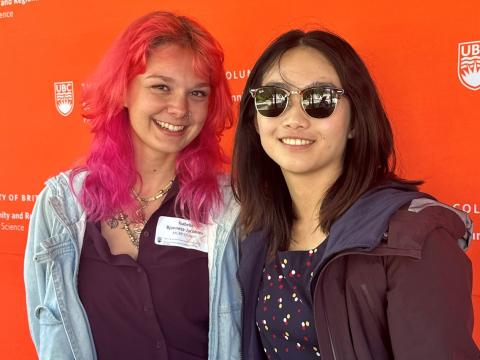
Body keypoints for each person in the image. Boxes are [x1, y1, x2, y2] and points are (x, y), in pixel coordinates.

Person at [232, 29, 479, 359]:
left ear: (354, 122)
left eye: (319, 99)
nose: (292, 119)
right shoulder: (257, 235)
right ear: (255, 118)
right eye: (273, 99)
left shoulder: (413, 241)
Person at [24, 11, 241, 360]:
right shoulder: (60, 205)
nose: (180, 109)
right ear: (123, 89)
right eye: (161, 87)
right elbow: (51, 335)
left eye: (197, 93)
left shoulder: (230, 206)